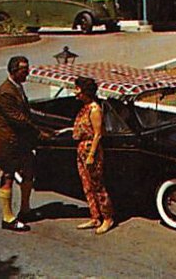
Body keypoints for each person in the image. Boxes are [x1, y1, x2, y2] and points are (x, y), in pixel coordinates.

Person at [0, 56, 49, 232]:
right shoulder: (6, 92)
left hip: (21, 142)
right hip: (8, 142)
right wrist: (39, 132)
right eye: (24, 70)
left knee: (28, 172)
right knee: (8, 176)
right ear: (14, 71)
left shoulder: (17, 87)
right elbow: (19, 119)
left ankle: (25, 209)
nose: (28, 73)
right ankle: (8, 218)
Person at [72, 76, 114, 235]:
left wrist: (91, 155)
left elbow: (97, 134)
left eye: (78, 89)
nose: (76, 92)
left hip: (91, 149)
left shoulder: (95, 109)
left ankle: (107, 217)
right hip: (81, 148)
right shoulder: (85, 107)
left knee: (97, 186)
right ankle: (95, 216)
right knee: (87, 185)